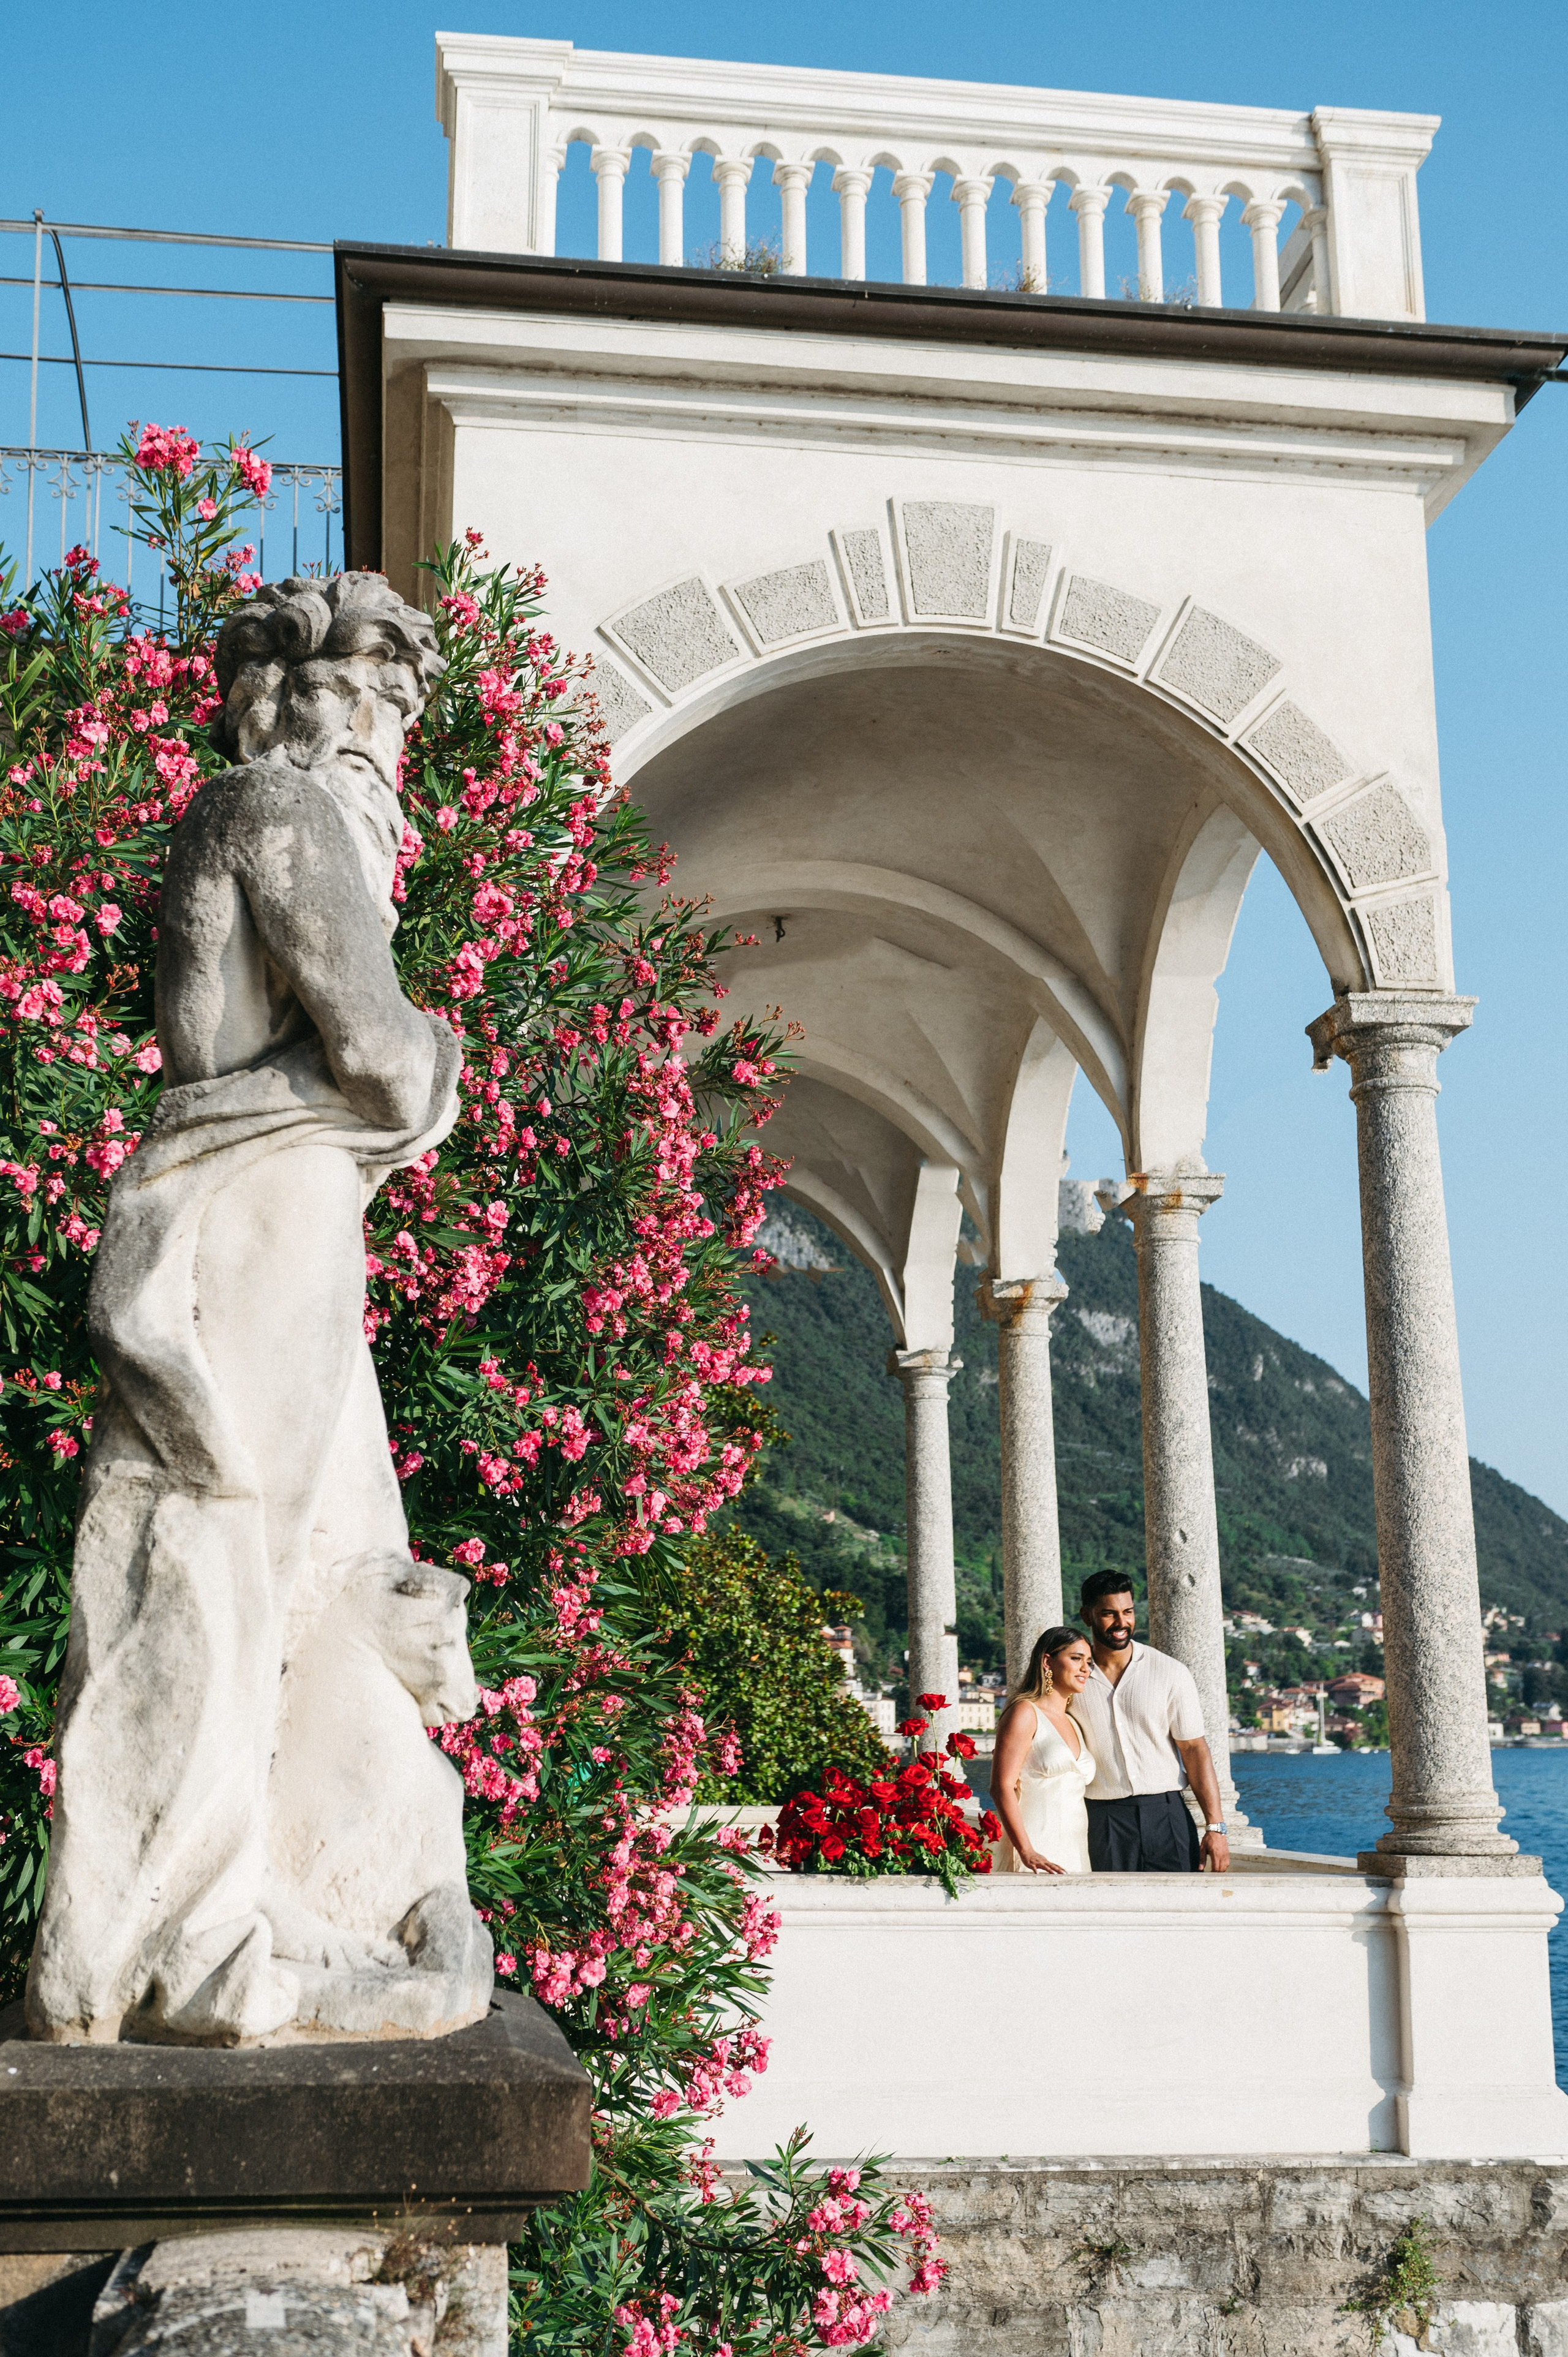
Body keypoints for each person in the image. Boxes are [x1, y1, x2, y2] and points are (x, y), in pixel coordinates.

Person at [1071, 1571, 1231, 1874]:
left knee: (1176, 1912)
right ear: (1087, 1616)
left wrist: (1216, 1827)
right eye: (1109, 1614)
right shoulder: (1072, 1678)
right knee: (1112, 1914)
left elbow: (1195, 1749)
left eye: (1128, 1612)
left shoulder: (1170, 1672)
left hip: (1166, 1815)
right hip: (1103, 1819)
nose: (1122, 1623)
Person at [990, 1625, 1097, 1873]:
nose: (1085, 1669)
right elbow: (1000, 1786)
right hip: (1035, 1847)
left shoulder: (1072, 1720)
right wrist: (1027, 1851)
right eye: (1076, 1658)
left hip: (1076, 1849)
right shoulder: (1025, 1712)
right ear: (1048, 1661)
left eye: (1089, 1662)